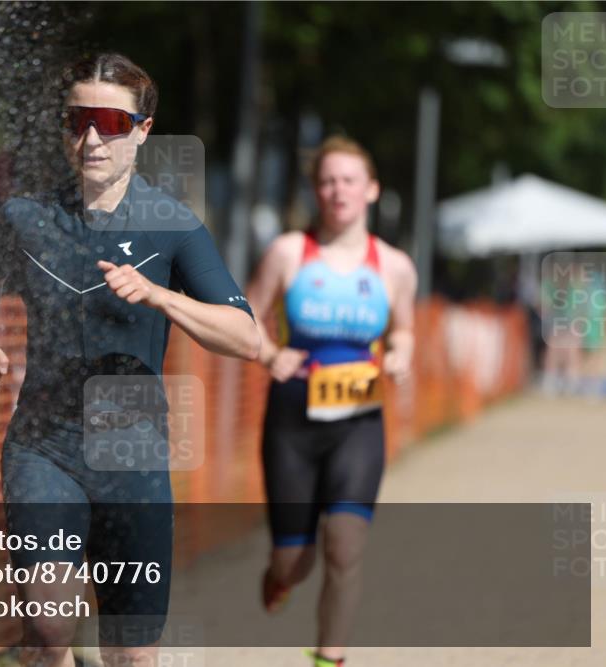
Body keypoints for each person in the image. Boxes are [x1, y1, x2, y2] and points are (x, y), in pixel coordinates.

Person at [0, 52, 259, 667]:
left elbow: (246, 337)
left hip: (133, 457)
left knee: (131, 655)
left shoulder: (171, 227)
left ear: (143, 131)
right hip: (44, 447)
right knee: (48, 627)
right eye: (78, 121)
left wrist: (160, 295)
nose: (92, 138)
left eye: (112, 123)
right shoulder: (24, 218)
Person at [245, 136, 417, 667]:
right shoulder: (288, 253)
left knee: (345, 546)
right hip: (292, 420)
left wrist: (401, 352)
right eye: (327, 181)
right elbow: (245, 315)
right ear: (316, 191)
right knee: (293, 561)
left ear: (371, 190)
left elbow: (404, 329)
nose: (338, 190)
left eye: (348, 180)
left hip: (359, 421)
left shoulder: (394, 266)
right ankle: (279, 577)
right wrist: (270, 353)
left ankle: (328, 659)